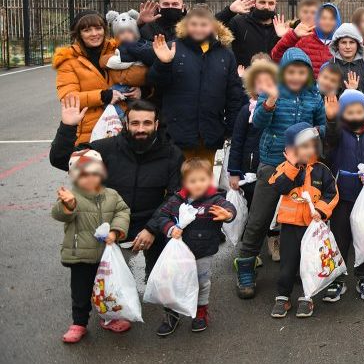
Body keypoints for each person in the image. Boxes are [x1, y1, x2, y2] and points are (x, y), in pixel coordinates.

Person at [50, 97, 184, 282]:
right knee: (110, 288)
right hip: (112, 222)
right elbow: (61, 159)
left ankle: (155, 275)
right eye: (135, 123)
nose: (141, 129)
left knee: (162, 280)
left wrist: (152, 229)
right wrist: (68, 127)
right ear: (125, 124)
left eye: (147, 123)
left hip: (152, 221)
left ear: (156, 124)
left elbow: (175, 197)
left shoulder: (172, 154)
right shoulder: (106, 149)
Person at [234, 47, 326, 299]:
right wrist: (270, 103)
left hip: (302, 168)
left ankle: (295, 266)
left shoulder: (314, 96)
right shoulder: (272, 92)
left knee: (298, 221)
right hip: (272, 164)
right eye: (291, 71)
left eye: (302, 71)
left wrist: (316, 133)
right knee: (259, 220)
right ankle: (245, 266)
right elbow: (258, 124)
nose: (296, 76)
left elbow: (323, 126)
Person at [52, 149, 131, 343]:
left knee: (106, 290)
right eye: (83, 174)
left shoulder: (111, 194)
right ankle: (79, 323)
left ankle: (108, 318)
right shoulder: (72, 196)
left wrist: (116, 231)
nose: (89, 178)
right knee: (81, 292)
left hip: (105, 256)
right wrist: (68, 205)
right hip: (81, 256)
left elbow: (123, 211)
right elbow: (59, 214)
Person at [149, 158, 235, 335]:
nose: (198, 185)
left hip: (202, 252)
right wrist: (171, 228)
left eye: (202, 180)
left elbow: (228, 208)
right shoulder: (176, 200)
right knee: (172, 283)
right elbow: (162, 216)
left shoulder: (215, 200)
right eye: (192, 181)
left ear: (210, 179)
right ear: (185, 182)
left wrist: (228, 215)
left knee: (202, 283)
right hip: (178, 255)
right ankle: (172, 313)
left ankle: (200, 312)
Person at [148, 5, 243, 164]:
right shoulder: (172, 48)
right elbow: (156, 83)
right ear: (186, 25)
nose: (198, 29)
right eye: (194, 24)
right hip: (177, 131)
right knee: (177, 182)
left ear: (212, 26)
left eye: (203, 24)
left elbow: (233, 93)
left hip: (210, 132)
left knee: (203, 183)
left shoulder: (225, 53)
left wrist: (230, 127)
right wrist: (163, 64)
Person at [323, 89, 364, 301]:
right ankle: (337, 278)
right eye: (349, 111)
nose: (354, 115)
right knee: (339, 239)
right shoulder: (337, 134)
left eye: (359, 110)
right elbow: (330, 138)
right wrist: (331, 119)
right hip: (341, 198)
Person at [268, 124, 338, 319]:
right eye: (303, 147)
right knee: (287, 264)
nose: (309, 150)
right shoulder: (284, 169)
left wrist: (321, 211)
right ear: (292, 149)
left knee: (310, 264)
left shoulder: (322, 170)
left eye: (312, 146)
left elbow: (332, 194)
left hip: (312, 228)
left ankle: (308, 297)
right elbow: (277, 186)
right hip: (290, 226)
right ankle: (283, 296)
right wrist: (291, 165)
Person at [54, 10, 137, 144]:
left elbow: (141, 73)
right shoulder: (69, 61)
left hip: (124, 129)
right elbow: (68, 98)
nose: (94, 34)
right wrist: (104, 96)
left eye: (98, 28)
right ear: (79, 34)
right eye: (87, 30)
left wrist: (142, 91)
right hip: (90, 133)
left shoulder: (118, 50)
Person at [227, 55, 278, 208]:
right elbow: (237, 141)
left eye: (266, 82)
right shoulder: (246, 110)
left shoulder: (279, 108)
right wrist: (234, 172)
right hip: (249, 170)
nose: (262, 86)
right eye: (258, 82)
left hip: (272, 168)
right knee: (249, 204)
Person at [216, 0, 280, 68]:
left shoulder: (281, 27)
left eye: (271, 3)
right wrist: (229, 11)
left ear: (276, 4)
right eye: (262, 2)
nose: (266, 7)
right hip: (244, 78)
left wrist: (283, 37)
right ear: (254, 2)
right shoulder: (239, 22)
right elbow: (210, 27)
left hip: (272, 79)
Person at [270, 2, 341, 75]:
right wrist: (293, 35)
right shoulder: (304, 39)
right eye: (323, 18)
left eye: (332, 19)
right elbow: (276, 57)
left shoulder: (342, 43)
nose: (327, 22)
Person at [331, 22, 364, 123]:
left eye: (352, 42)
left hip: (363, 120)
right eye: (343, 42)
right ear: (337, 45)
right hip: (337, 122)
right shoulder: (328, 67)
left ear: (358, 44)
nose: (348, 46)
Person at [101, 10, 148, 101]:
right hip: (117, 87)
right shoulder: (112, 47)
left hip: (137, 88)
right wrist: (131, 61)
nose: (126, 35)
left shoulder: (142, 45)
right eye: (121, 33)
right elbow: (104, 60)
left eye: (130, 32)